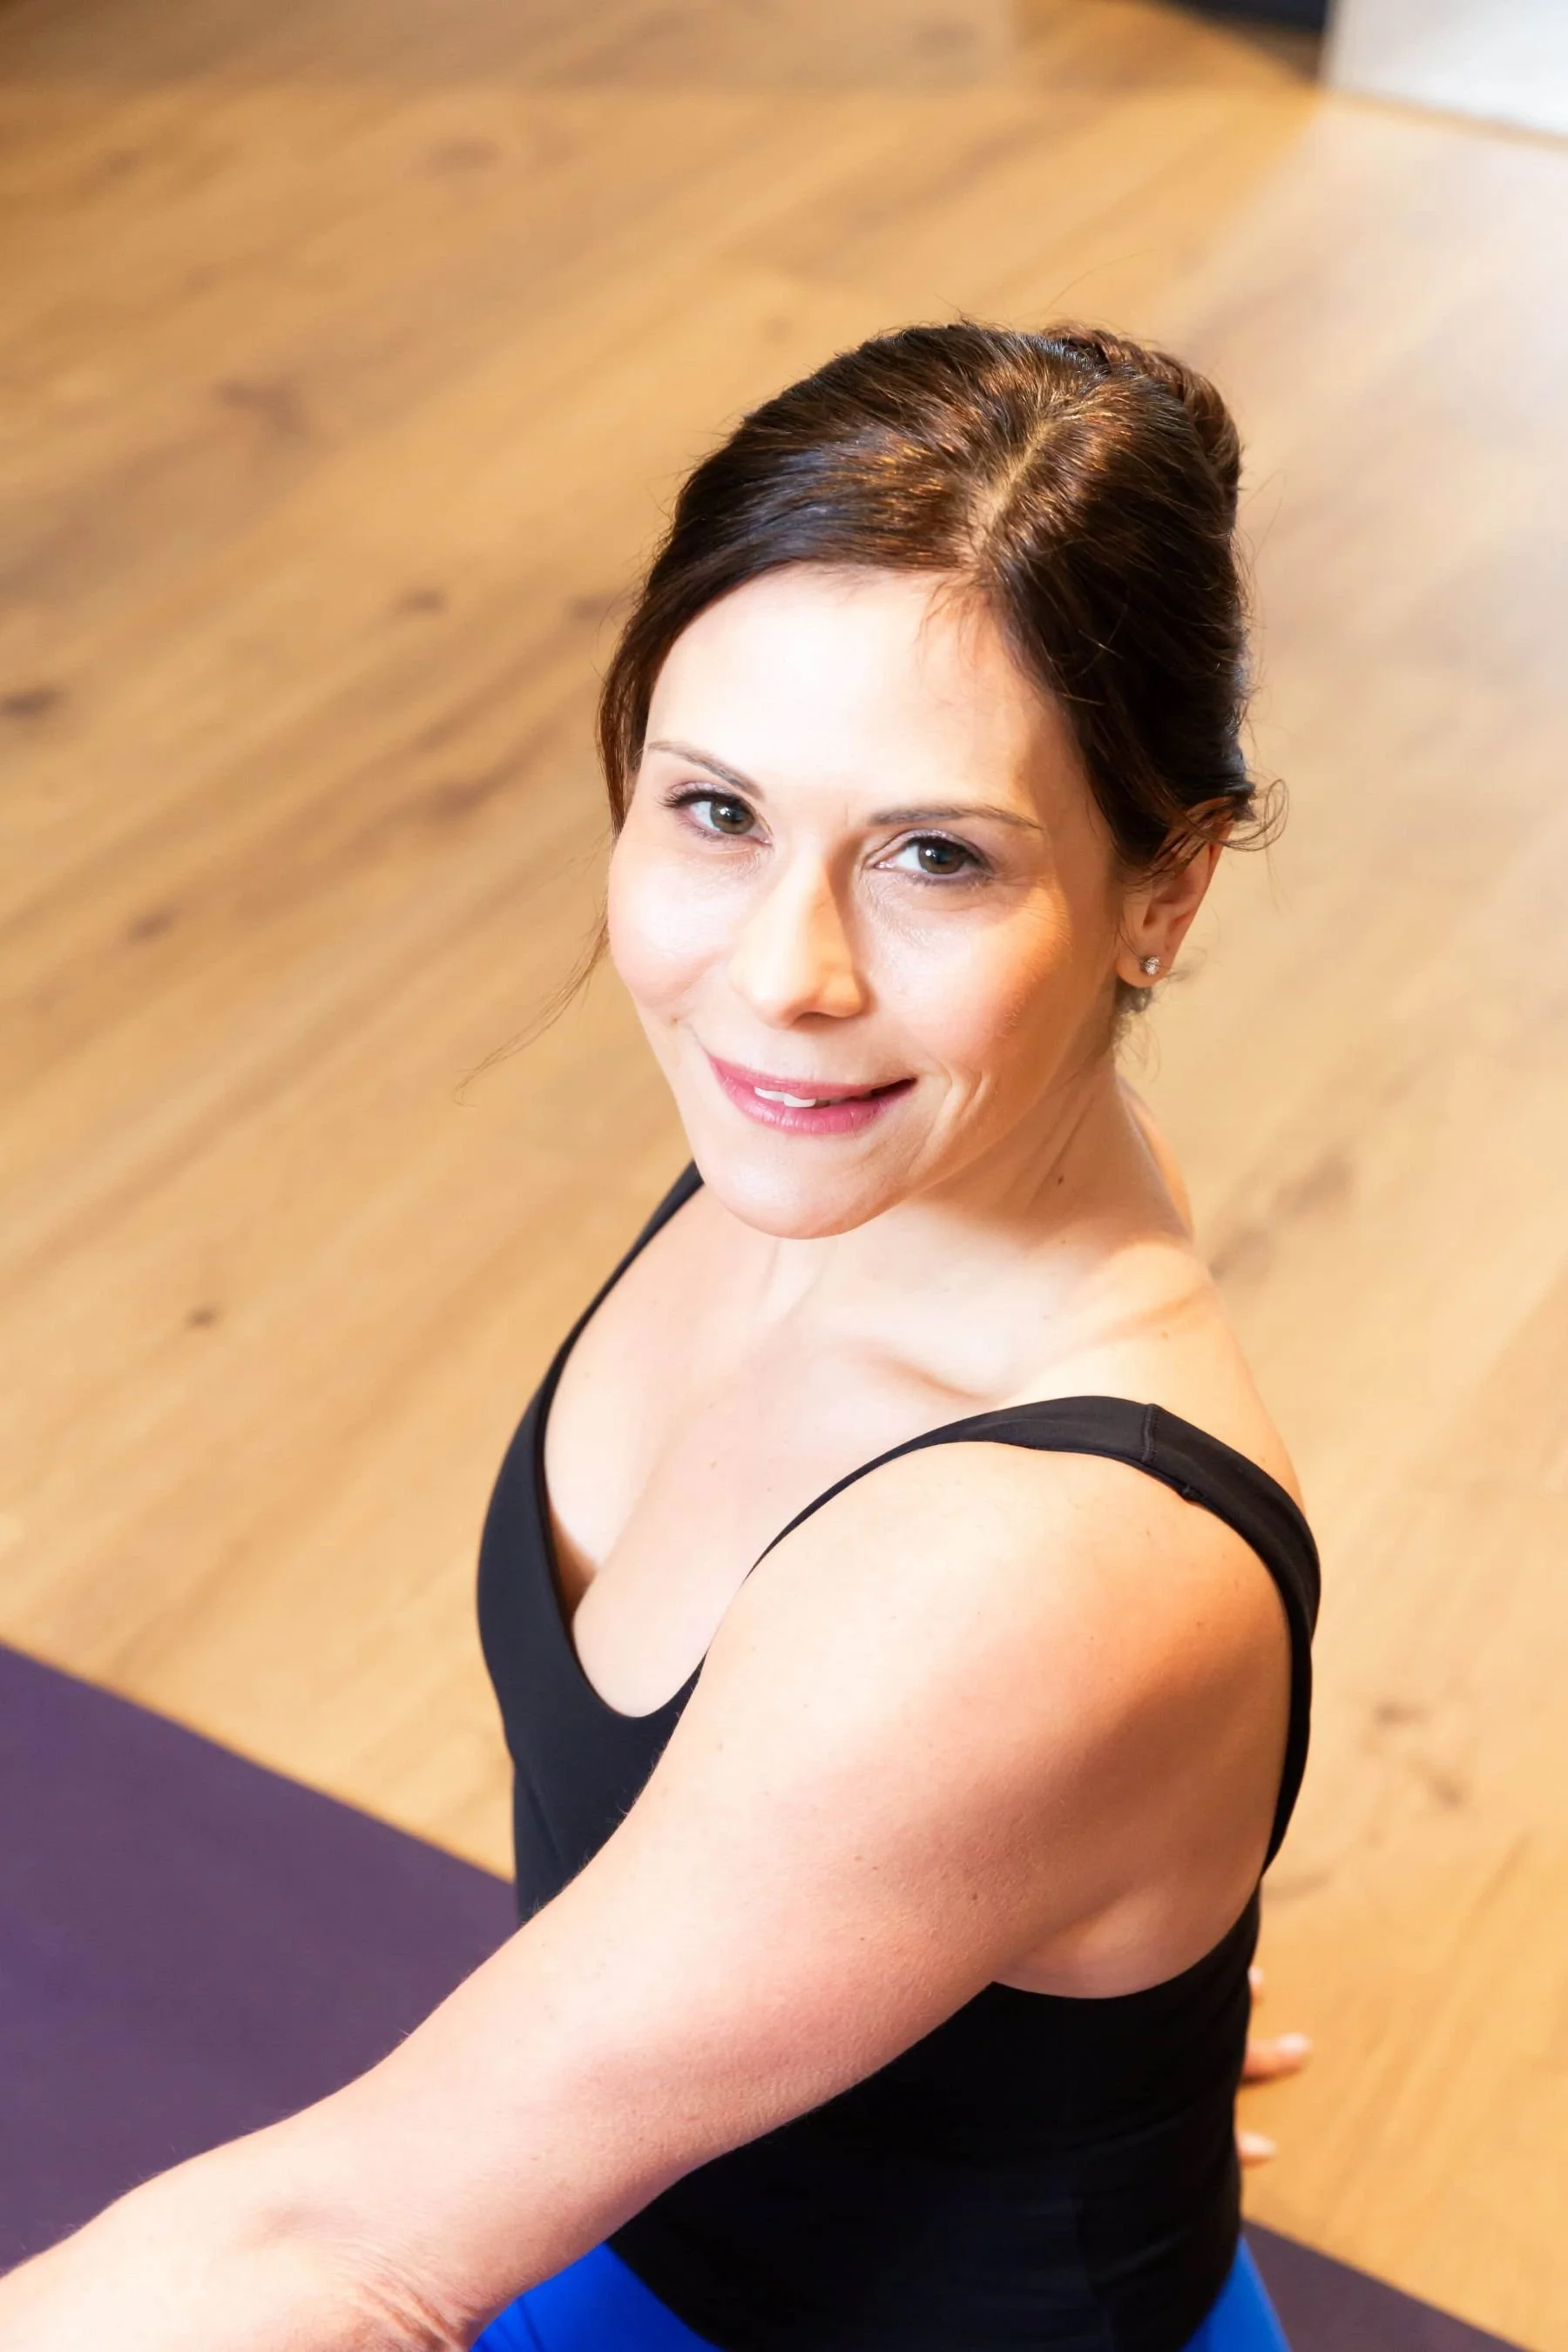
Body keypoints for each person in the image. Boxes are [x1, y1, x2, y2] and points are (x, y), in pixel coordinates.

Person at [0, 322, 1318, 2352]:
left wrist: (1034, 1808)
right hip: (639, 2202)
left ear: (1167, 890)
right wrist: (1039, 1974)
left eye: (937, 857)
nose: (779, 981)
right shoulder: (863, 1155)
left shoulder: (1036, 1562)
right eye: (716, 813)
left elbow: (335, 2256)